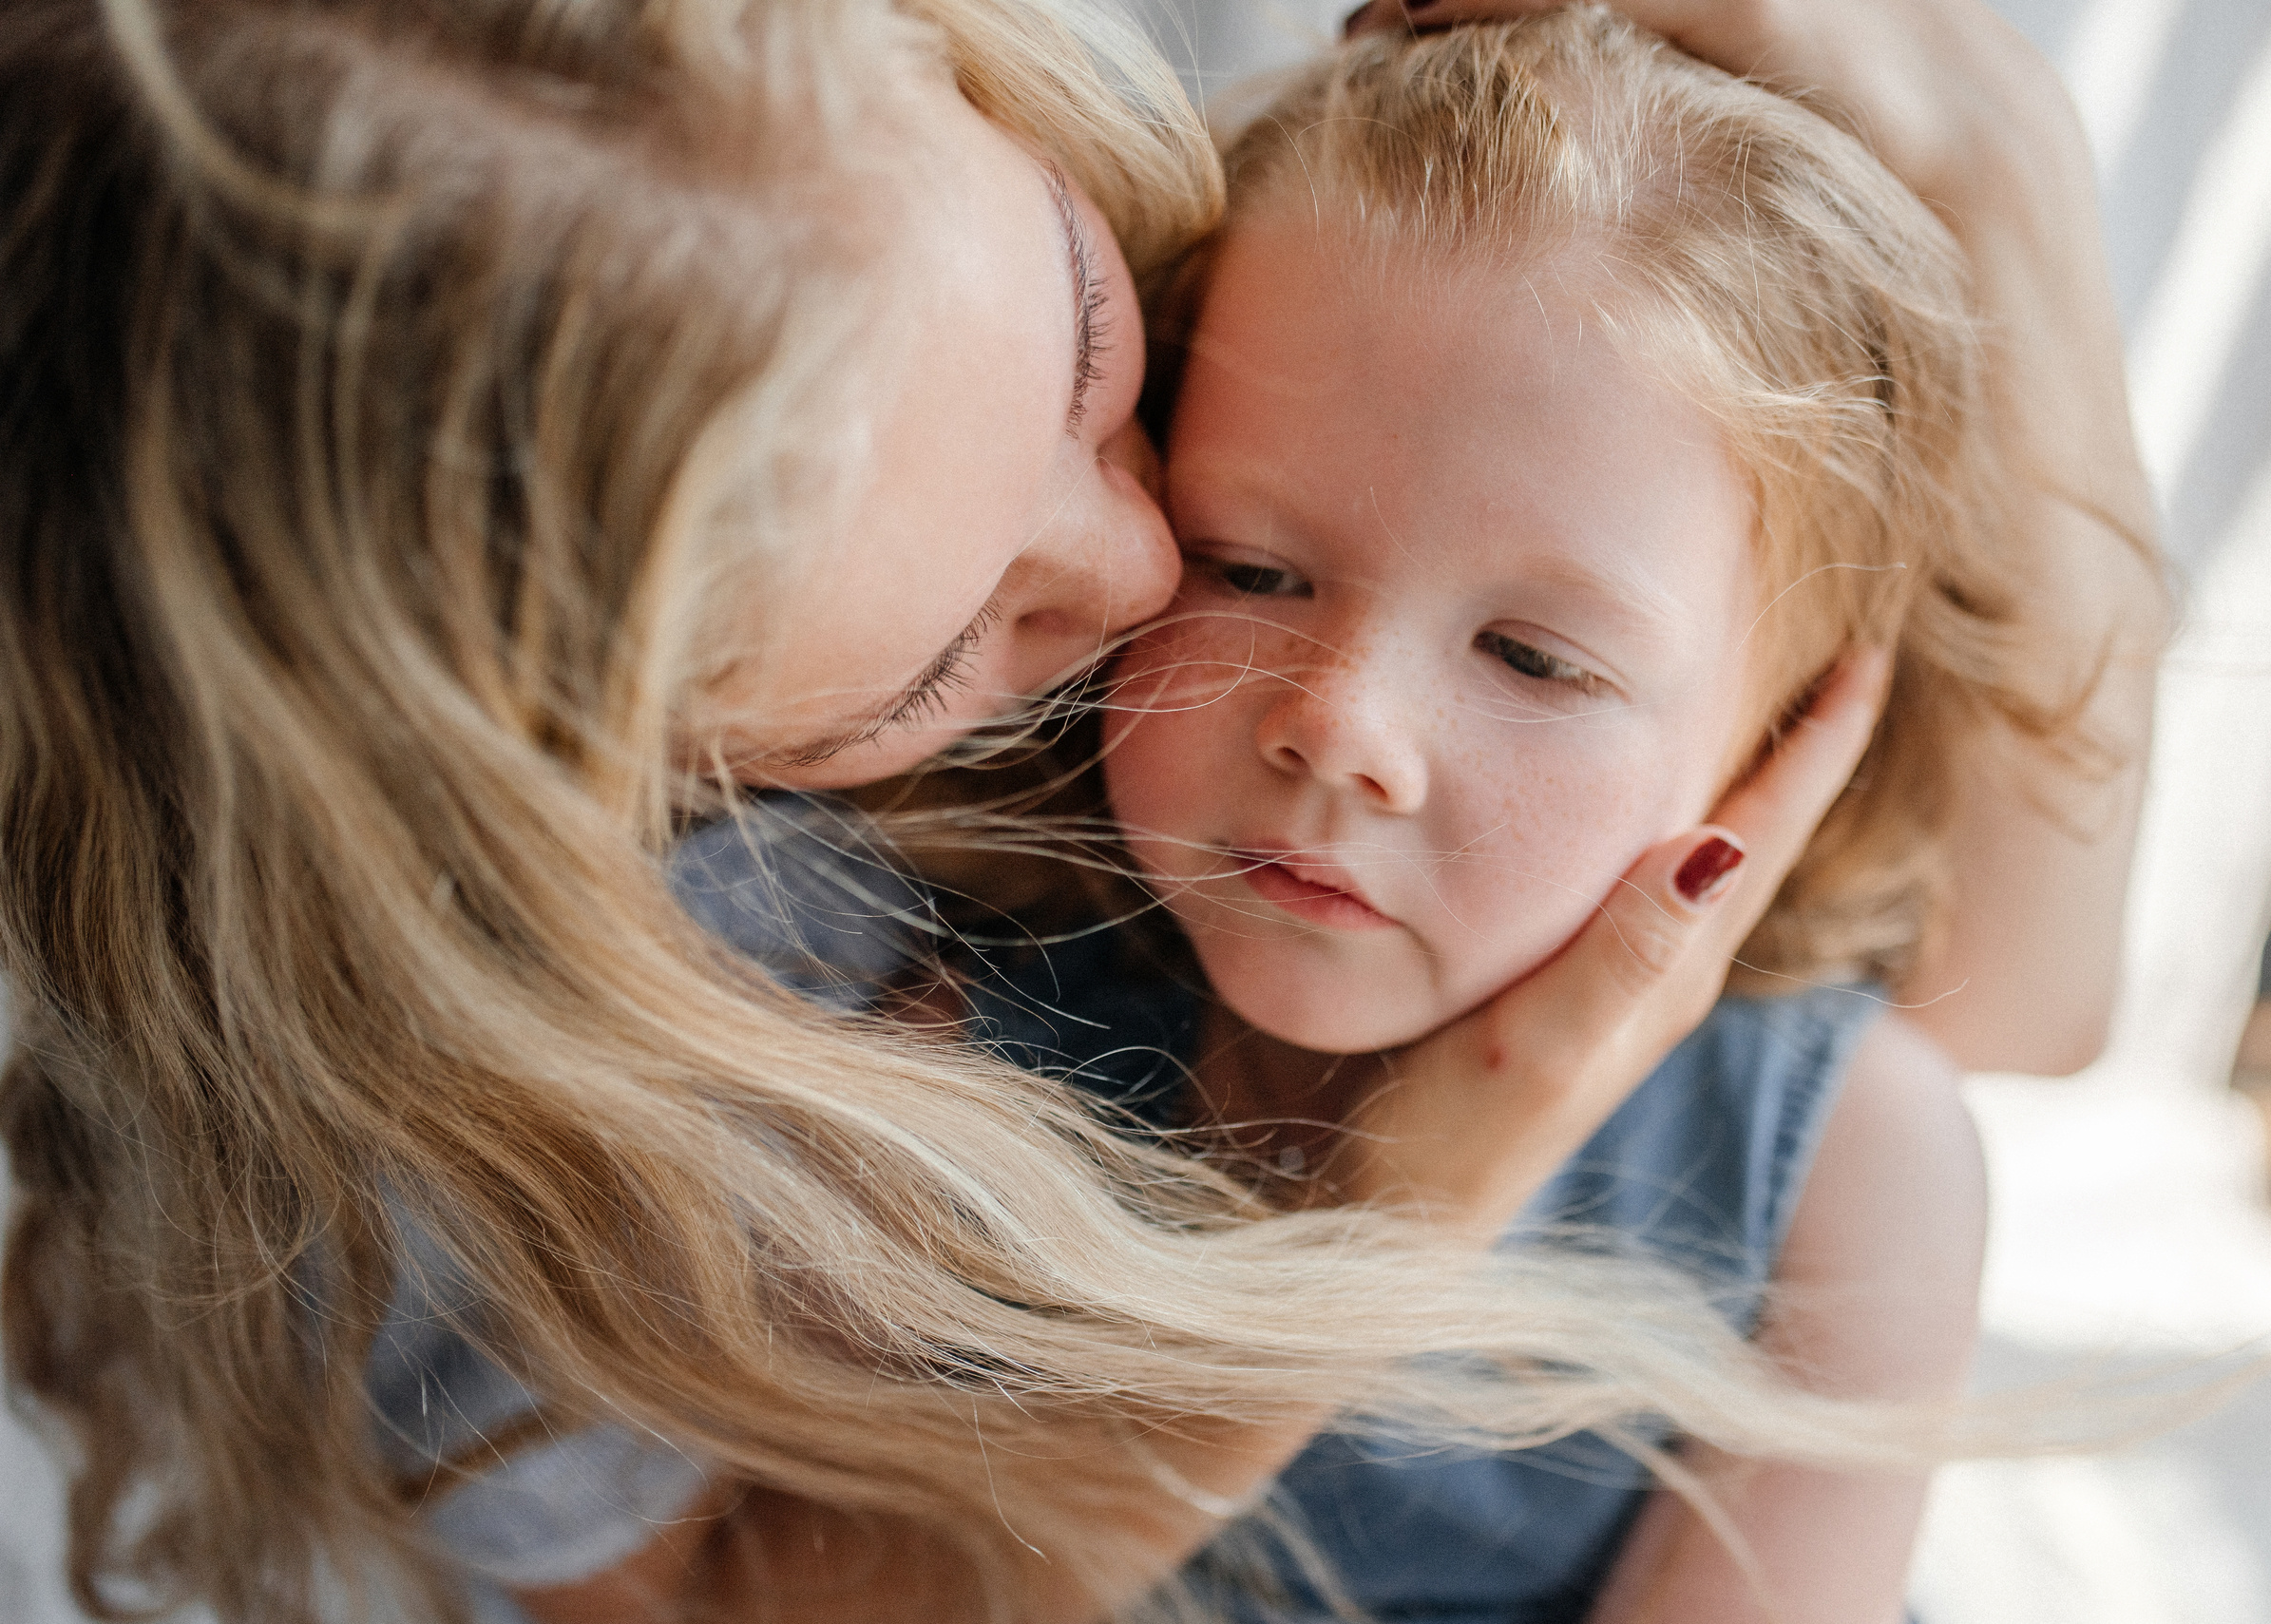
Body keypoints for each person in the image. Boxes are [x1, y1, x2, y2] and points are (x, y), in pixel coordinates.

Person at [0, 4, 2159, 1624]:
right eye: (1246, 556)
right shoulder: (796, 955)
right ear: (629, 744)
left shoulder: (1822, 1142)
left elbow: (2021, 1002)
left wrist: (1989, 154)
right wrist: (1396, 1207)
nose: (1153, 597)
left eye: (1099, 359)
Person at [927, 11, 2144, 1618]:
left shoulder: (1844, 1160)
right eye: (1251, 564)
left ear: (1781, 746)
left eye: (1534, 656)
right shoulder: (952, 1025)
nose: (1341, 725)